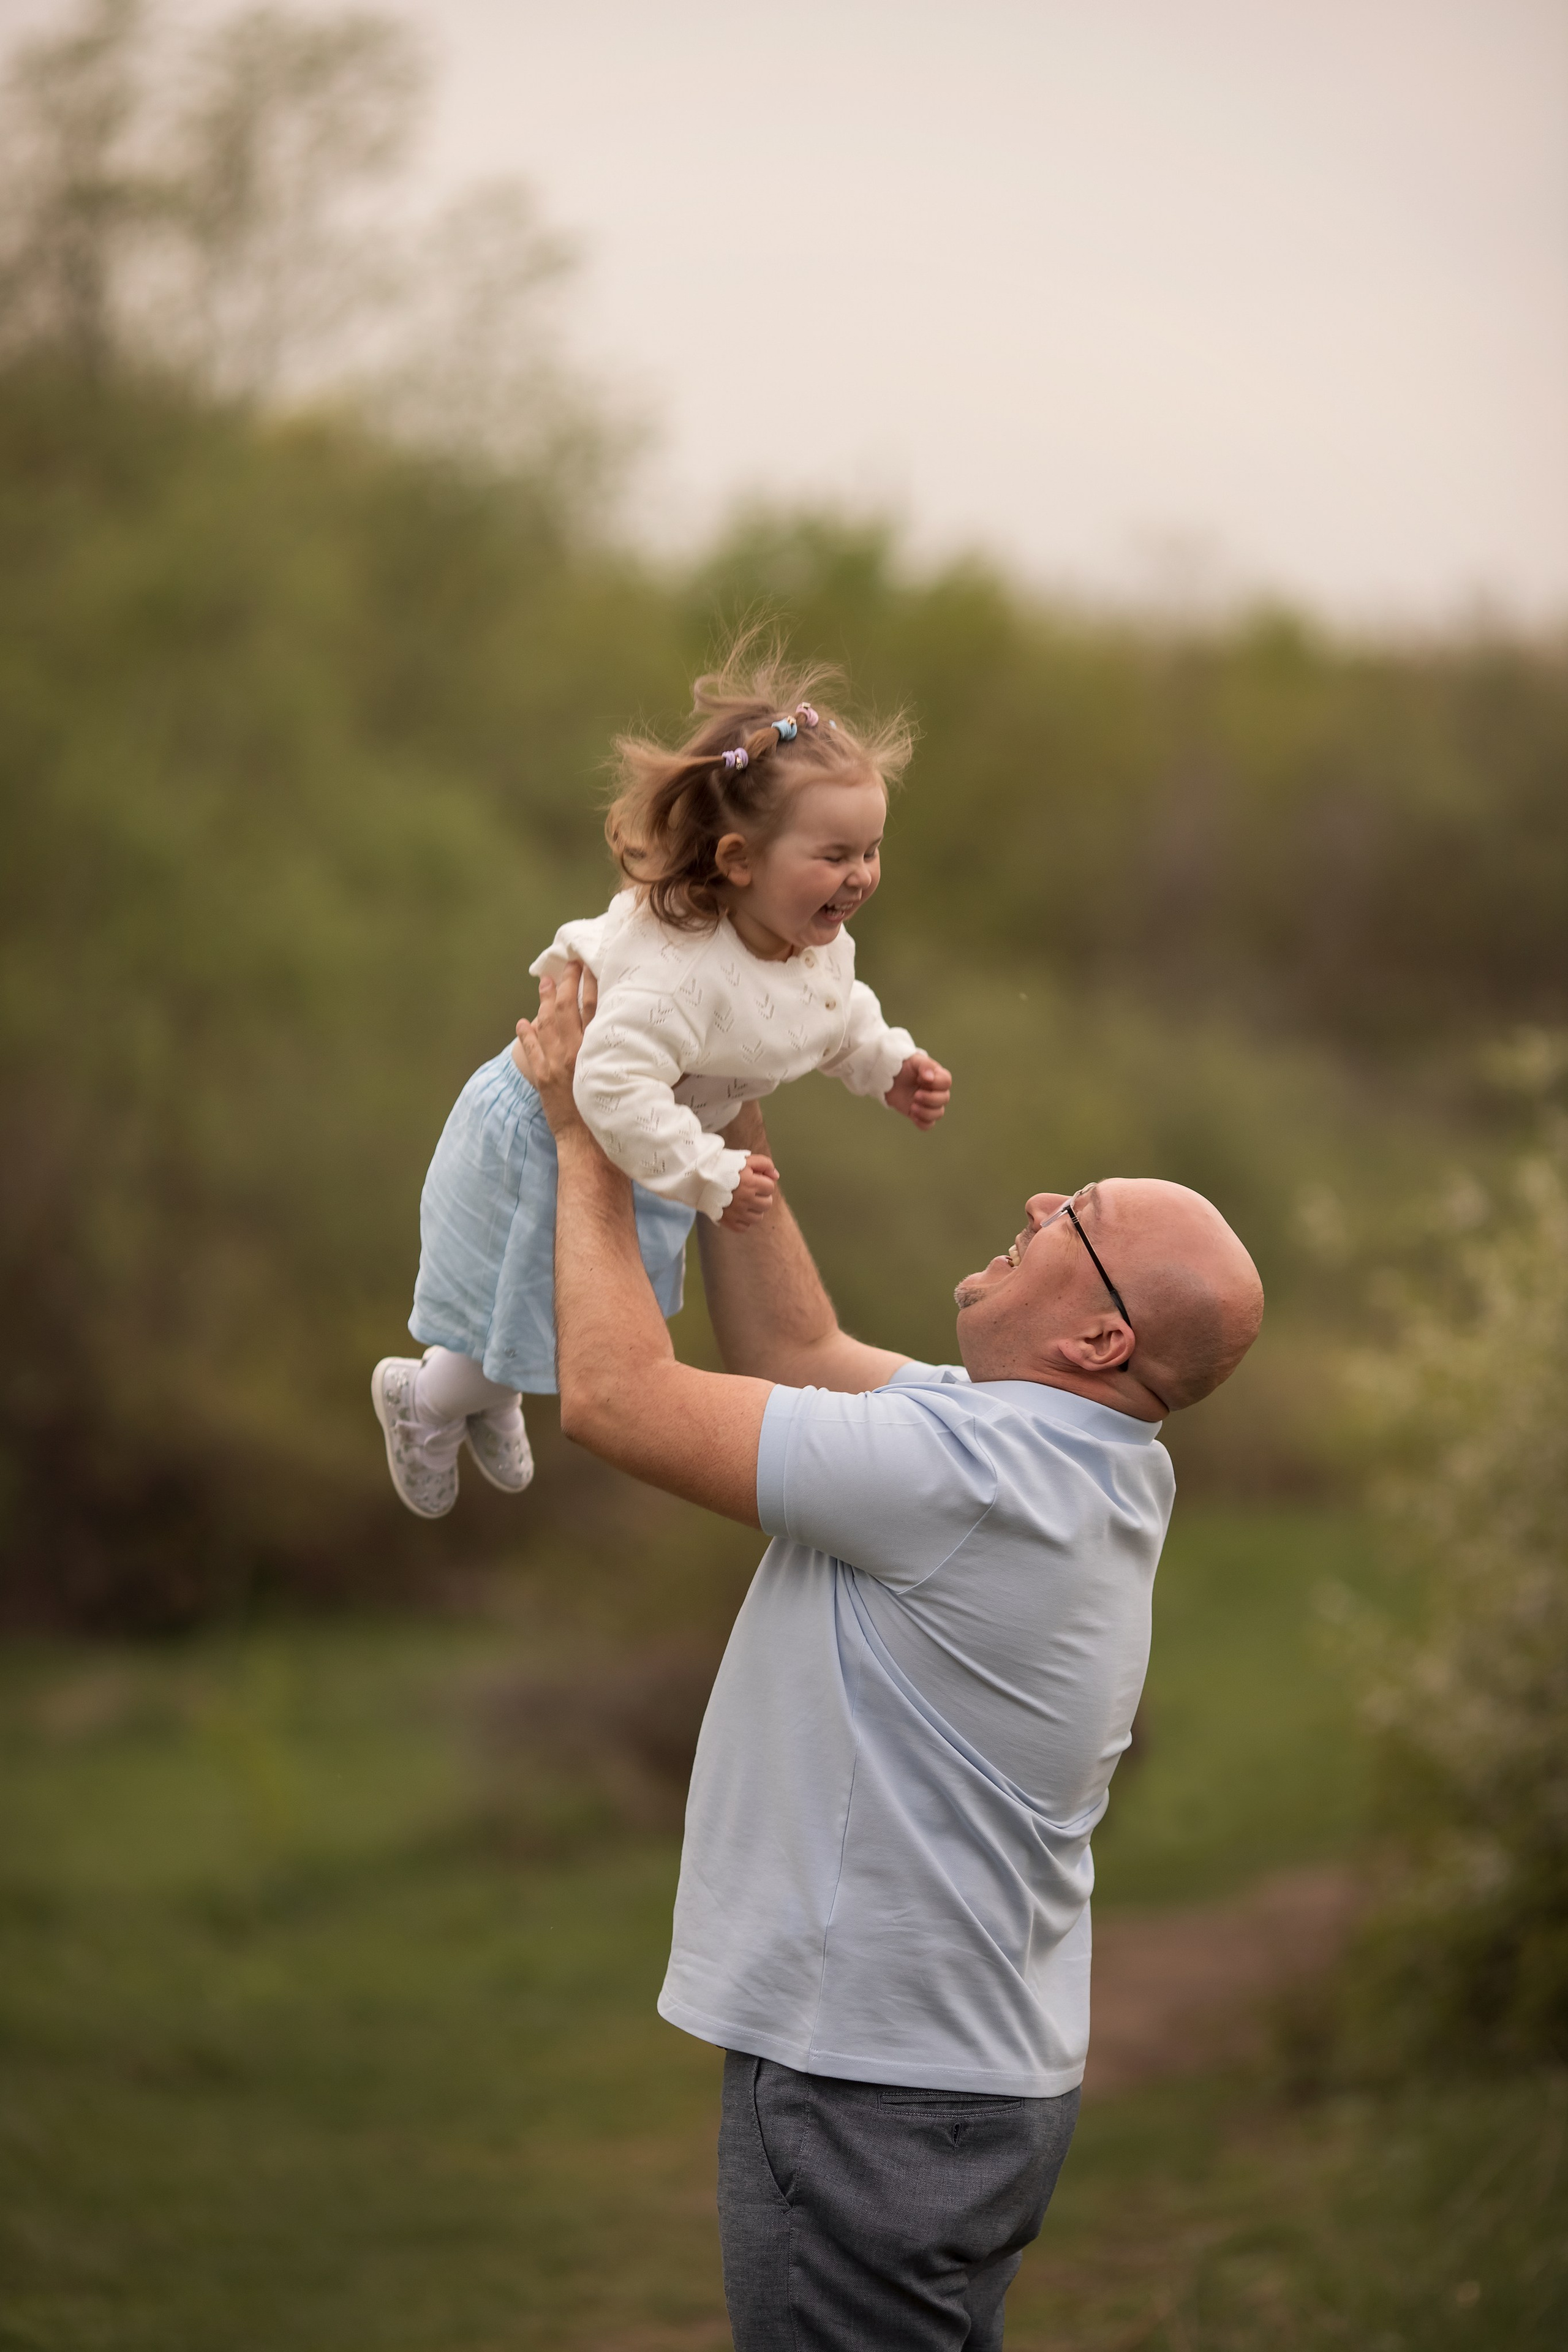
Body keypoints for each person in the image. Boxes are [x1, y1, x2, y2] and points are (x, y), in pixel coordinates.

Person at [513, 960, 1265, 2352]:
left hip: (866, 2084)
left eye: (1077, 1220)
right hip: (968, 2081)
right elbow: (792, 1344)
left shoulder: (970, 1473)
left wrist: (585, 1135)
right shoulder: (1072, 1455)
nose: (1037, 1202)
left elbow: (615, 1397)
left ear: (1099, 1335)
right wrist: (731, 1080)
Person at [371, 646, 951, 1520]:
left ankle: (484, 1390)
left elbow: (835, 1010)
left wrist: (888, 1066)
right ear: (740, 860)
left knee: (582, 1312)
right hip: (554, 1128)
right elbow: (605, 1088)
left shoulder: (809, 940)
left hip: (652, 1140)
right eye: (835, 854)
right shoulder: (677, 976)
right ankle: (427, 1397)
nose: (862, 875)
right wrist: (710, 1172)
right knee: (543, 1308)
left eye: (871, 850)